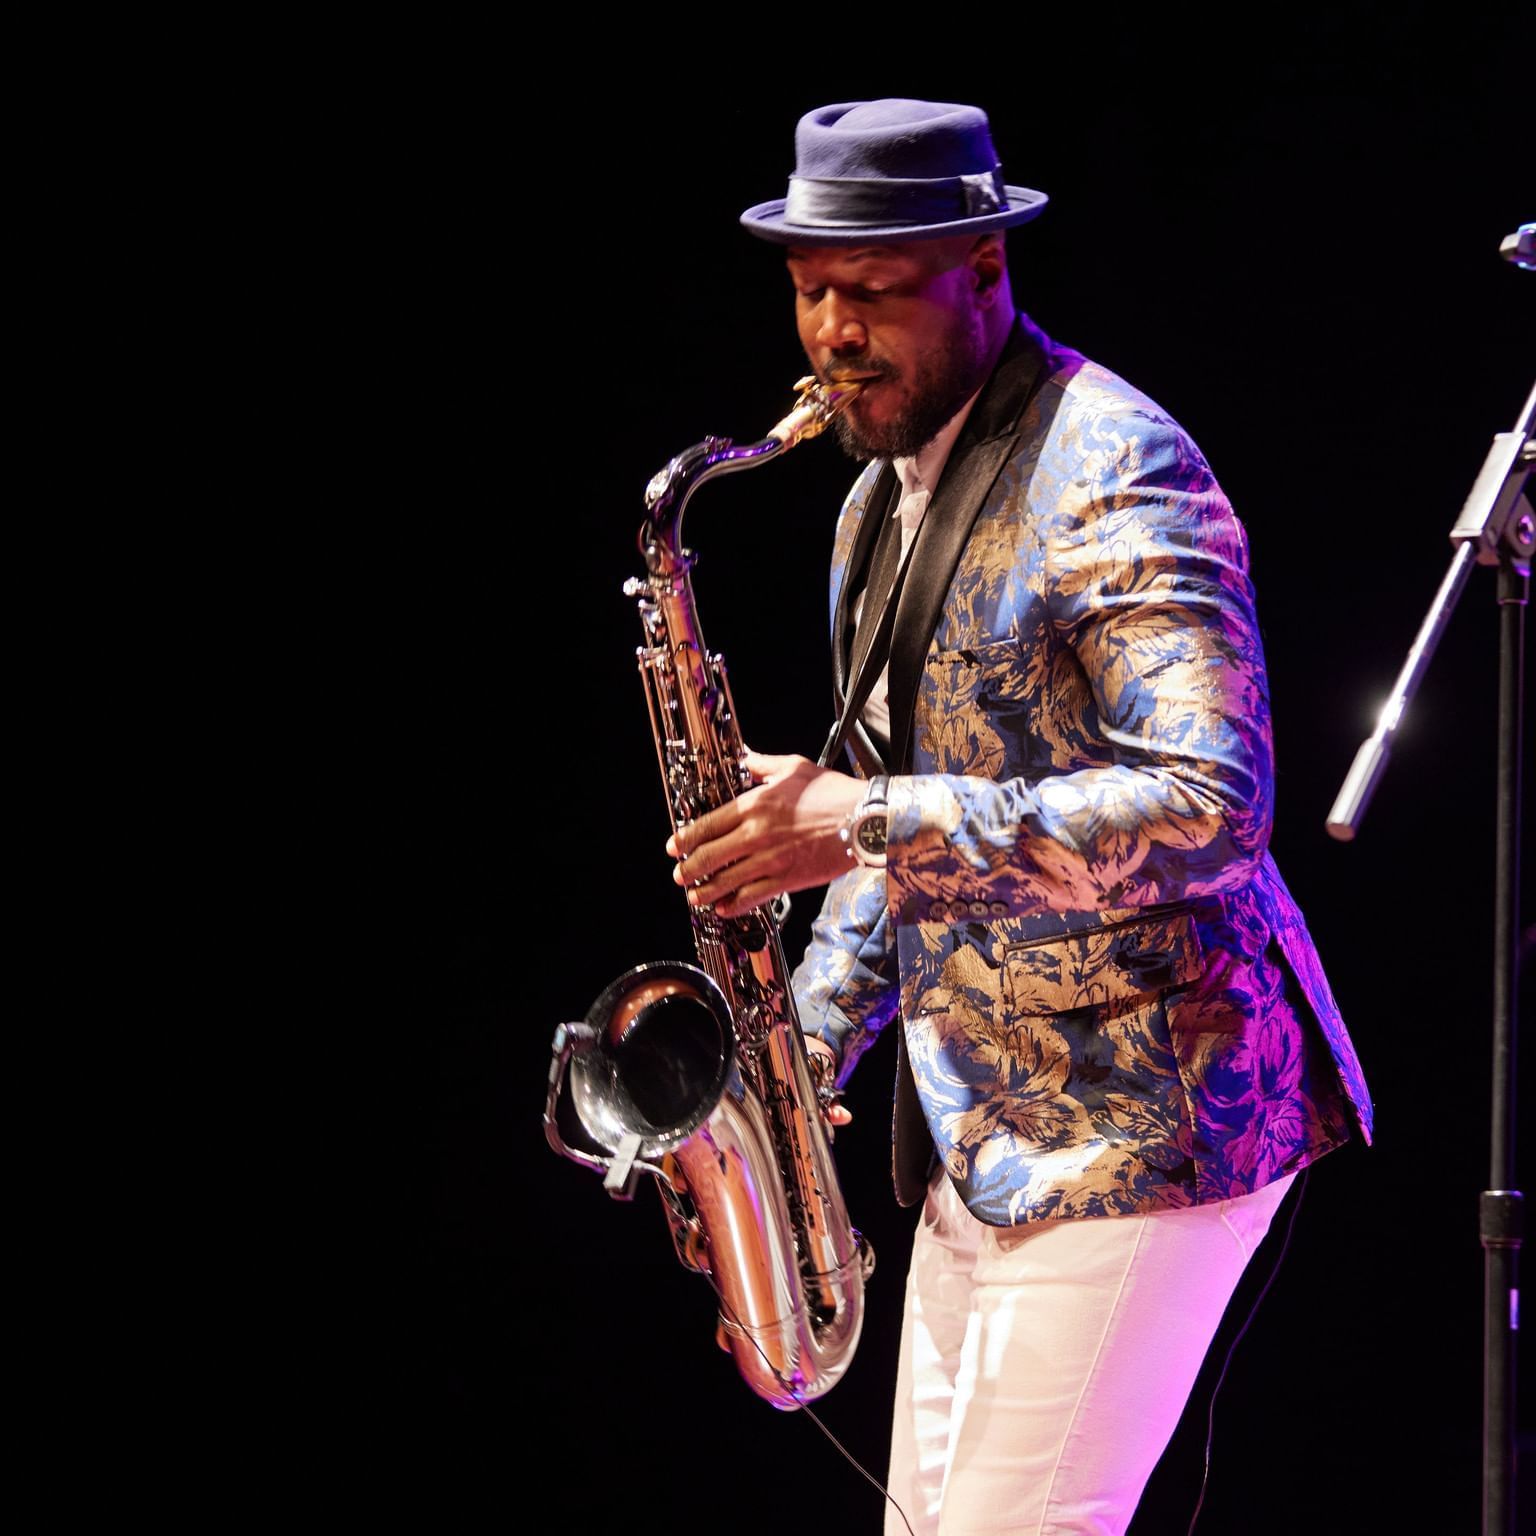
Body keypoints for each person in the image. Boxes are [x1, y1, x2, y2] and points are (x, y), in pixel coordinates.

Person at [667, 99, 1372, 1536]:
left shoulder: (1115, 464)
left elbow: (1212, 805)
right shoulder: (875, 501)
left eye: (873, 293)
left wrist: (865, 822)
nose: (833, 335)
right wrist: (802, 1041)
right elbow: (876, 799)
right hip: (980, 1117)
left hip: (1156, 1109)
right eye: (811, 295)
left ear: (984, 269)